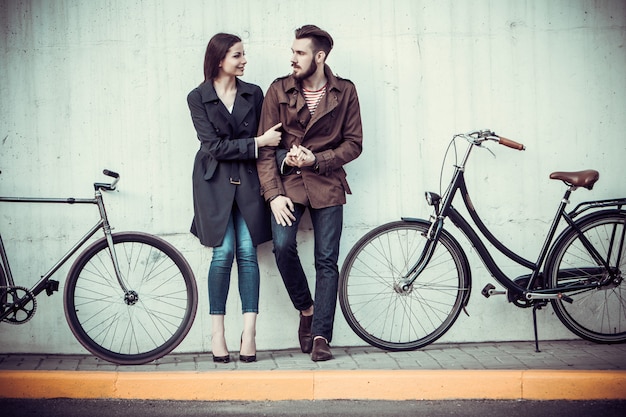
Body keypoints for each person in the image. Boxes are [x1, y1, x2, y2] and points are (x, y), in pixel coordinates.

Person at [256, 25, 363, 361]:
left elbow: (354, 143)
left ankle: (321, 335)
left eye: (300, 53)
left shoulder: (344, 91)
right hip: (289, 184)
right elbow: (264, 150)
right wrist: (273, 194)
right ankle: (306, 310)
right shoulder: (278, 90)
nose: (293, 59)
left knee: (326, 260)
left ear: (320, 56)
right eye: (292, 52)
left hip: (328, 181)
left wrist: (319, 158)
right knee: (283, 247)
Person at [188, 33, 282, 363]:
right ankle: (217, 333)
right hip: (213, 183)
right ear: (219, 60)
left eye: (244, 54)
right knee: (223, 251)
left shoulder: (253, 93)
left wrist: (267, 147)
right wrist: (257, 142)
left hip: (248, 180)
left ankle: (250, 332)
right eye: (237, 56)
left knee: (246, 250)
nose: (244, 60)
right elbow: (212, 146)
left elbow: (272, 142)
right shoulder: (198, 97)